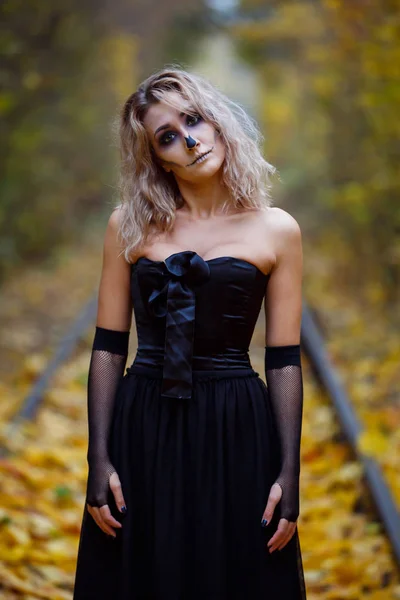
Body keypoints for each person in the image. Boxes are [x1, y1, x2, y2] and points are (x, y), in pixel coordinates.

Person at [73, 66, 307, 600]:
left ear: (218, 121)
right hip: (144, 425)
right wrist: (99, 457)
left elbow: (285, 359)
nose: (190, 141)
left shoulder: (277, 229)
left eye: (194, 121)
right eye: (168, 138)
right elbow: (109, 347)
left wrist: (289, 471)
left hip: (237, 428)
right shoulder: (126, 226)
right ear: (157, 158)